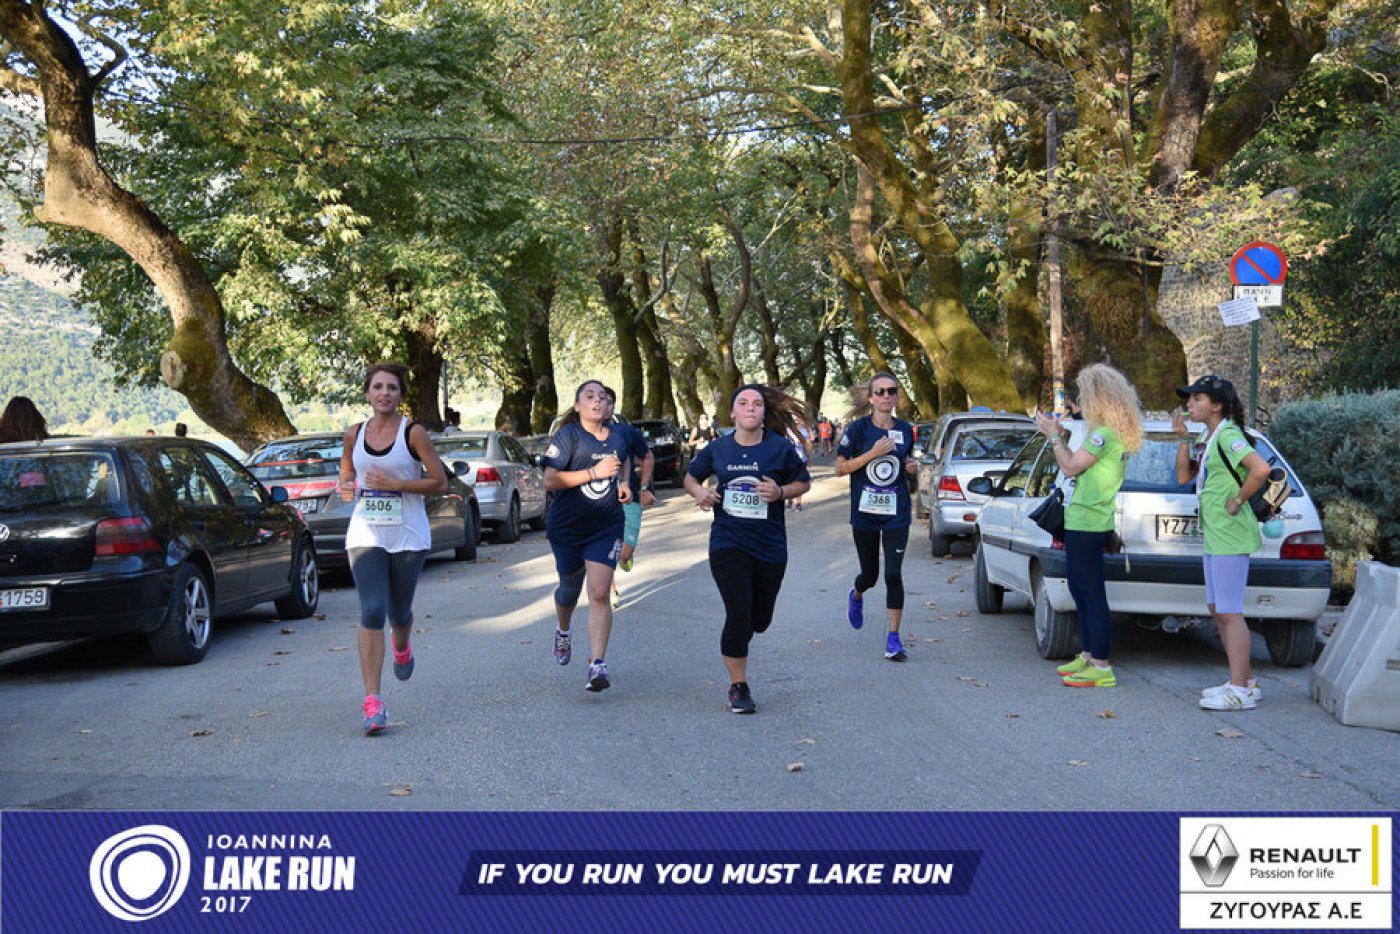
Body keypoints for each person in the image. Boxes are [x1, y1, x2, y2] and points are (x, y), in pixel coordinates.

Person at [336, 363, 450, 733]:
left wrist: (396, 484)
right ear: (367, 393)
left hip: (407, 534)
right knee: (372, 610)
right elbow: (347, 473)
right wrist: (347, 486)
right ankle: (373, 701)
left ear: (400, 395)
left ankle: (402, 645)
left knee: (399, 613)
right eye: (378, 387)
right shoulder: (354, 434)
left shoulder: (413, 433)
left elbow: (440, 482)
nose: (384, 393)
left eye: (392, 388)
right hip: (366, 532)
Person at [685, 384, 811, 714]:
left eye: (757, 403)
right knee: (738, 613)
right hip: (728, 541)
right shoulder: (719, 448)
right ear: (732, 412)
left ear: (764, 412)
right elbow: (690, 477)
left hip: (770, 545)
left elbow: (803, 482)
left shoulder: (779, 448)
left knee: (760, 620)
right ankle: (738, 686)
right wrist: (700, 492)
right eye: (743, 403)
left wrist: (780, 492)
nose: (751, 408)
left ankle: (747, 631)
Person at [1033, 363, 1144, 688]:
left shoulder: (1102, 435)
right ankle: (1088, 655)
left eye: (1084, 395)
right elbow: (1077, 465)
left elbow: (1069, 469)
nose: (1080, 401)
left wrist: (1054, 436)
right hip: (1088, 520)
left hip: (1088, 522)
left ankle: (1101, 665)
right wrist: (1060, 437)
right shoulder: (1111, 433)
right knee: (1080, 590)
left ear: (1098, 397)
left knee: (1091, 594)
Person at [1173, 375, 1273, 711]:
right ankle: (1244, 680)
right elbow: (1184, 477)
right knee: (1218, 609)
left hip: (1230, 533)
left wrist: (1238, 500)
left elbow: (1260, 469)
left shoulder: (1228, 435)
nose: (1189, 404)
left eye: (1197, 399)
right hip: (1216, 534)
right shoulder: (1209, 435)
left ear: (1216, 405)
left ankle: (1240, 690)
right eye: (1189, 399)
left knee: (1230, 611)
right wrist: (1183, 440)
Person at [542, 380, 636, 692]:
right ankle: (563, 629)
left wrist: (625, 483)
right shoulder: (568, 436)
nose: (597, 401)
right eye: (590, 396)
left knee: (599, 592)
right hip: (567, 527)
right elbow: (550, 480)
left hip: (606, 525)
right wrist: (595, 473)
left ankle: (597, 664)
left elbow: (624, 461)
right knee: (568, 591)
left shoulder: (619, 436)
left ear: (609, 405)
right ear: (578, 405)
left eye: (603, 397)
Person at [836, 373, 920, 661]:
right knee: (870, 576)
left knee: (893, 574)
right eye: (880, 391)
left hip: (896, 512)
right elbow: (840, 468)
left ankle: (893, 639)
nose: (886, 396)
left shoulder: (906, 429)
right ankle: (857, 593)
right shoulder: (858, 429)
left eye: (891, 391)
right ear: (871, 398)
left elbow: (906, 465)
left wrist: (911, 470)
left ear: (896, 396)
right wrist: (871, 454)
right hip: (865, 513)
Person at [599, 386, 654, 607]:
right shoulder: (582, 434)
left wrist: (643, 487)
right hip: (600, 502)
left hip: (628, 498)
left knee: (622, 552)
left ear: (613, 406)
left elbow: (647, 457)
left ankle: (625, 556)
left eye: (608, 401)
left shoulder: (626, 432)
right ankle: (609, 588)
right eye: (598, 400)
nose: (603, 405)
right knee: (604, 549)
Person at [785, 416, 814, 511]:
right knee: (788, 480)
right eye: (794, 419)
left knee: (799, 481)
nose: (796, 421)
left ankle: (798, 503)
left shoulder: (803, 431)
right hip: (788, 459)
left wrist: (807, 442)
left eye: (797, 419)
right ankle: (789, 500)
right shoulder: (787, 431)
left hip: (801, 459)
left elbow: (808, 445)